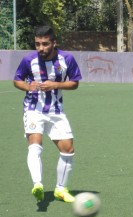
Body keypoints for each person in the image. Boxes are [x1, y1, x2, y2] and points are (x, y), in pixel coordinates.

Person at [13, 26, 82, 202]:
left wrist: (55, 85)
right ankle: (38, 184)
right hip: (33, 109)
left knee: (68, 150)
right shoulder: (29, 60)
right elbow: (17, 80)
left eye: (45, 44)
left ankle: (60, 189)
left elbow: (74, 83)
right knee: (35, 144)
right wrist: (27, 86)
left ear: (54, 42)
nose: (41, 48)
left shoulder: (66, 59)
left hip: (56, 111)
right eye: (37, 44)